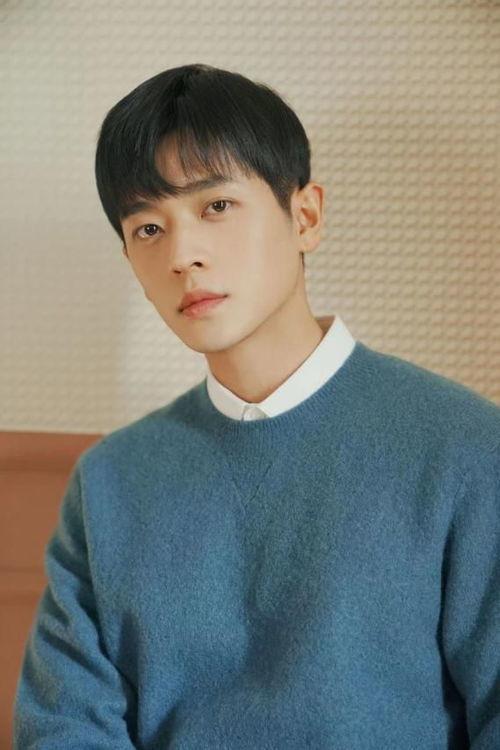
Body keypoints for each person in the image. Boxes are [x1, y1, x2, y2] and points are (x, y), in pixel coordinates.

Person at [13, 63, 500, 749]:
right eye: (148, 228)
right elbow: (63, 729)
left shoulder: (467, 450)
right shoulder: (109, 481)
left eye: (216, 206)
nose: (182, 255)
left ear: (305, 217)